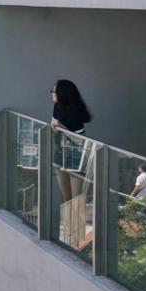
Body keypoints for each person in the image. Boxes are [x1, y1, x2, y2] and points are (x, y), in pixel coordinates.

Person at [50, 79, 94, 243]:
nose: (52, 94)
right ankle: (69, 231)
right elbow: (54, 124)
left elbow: (78, 137)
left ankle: (77, 234)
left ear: (62, 93)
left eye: (54, 91)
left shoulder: (75, 110)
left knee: (76, 197)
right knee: (65, 195)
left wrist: (60, 126)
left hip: (76, 154)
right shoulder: (57, 107)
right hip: (60, 152)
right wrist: (56, 127)